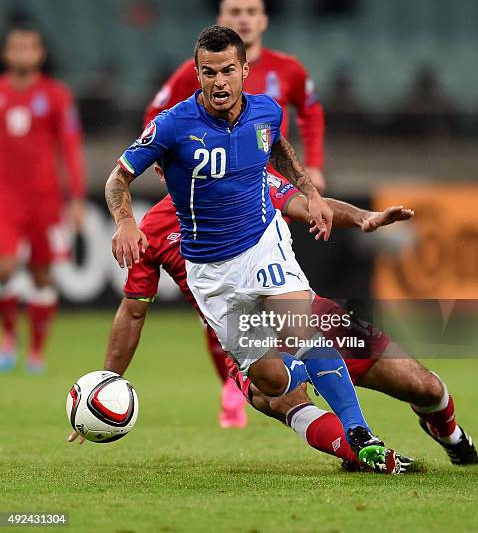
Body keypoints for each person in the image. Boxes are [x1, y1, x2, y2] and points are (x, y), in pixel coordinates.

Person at [106, 26, 402, 473]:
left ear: (245, 70)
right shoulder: (171, 125)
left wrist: (310, 191)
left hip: (263, 245)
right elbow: (118, 178)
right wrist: (126, 221)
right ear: (198, 74)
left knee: (302, 331)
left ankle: (360, 433)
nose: (219, 81)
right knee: (272, 379)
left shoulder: (266, 109)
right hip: (209, 272)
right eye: (208, 72)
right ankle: (319, 373)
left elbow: (278, 147)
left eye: (228, 70)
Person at [72, 171, 476, 467]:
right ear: (163, 171)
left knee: (421, 386)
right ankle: (368, 453)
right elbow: (133, 310)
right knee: (279, 394)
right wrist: (108, 381)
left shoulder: (247, 178)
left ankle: (449, 433)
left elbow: (309, 205)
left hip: (311, 315)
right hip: (245, 339)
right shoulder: (153, 232)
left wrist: (362, 218)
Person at [144, 0, 326, 192]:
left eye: (251, 12)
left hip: (271, 183)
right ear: (221, 22)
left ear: (263, 21)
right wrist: (168, 161)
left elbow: (311, 112)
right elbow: (156, 115)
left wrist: (314, 164)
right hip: (212, 184)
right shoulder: (196, 71)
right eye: (235, 12)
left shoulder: (289, 68)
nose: (244, 20)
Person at [0, 23, 86, 372]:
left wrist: (75, 198)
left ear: (39, 54)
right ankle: (9, 337)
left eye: (28, 48)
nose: (22, 54)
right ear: (7, 53)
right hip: (4, 196)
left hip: (45, 198)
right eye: (16, 48)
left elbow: (69, 148)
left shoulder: (56, 95)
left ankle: (36, 351)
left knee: (41, 276)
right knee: (4, 267)